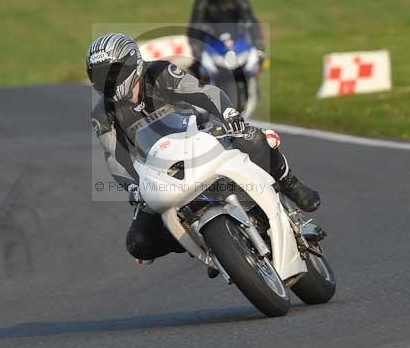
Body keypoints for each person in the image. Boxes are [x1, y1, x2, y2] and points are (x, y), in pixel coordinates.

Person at [87, 33, 321, 264]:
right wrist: (134, 187)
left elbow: (205, 92)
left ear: (132, 63)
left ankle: (289, 182)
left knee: (250, 137)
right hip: (161, 171)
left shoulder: (160, 73)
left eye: (113, 73)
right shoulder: (102, 114)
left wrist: (228, 114)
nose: (108, 81)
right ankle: (207, 243)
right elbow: (115, 157)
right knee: (138, 243)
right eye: (101, 76)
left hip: (201, 137)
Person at [188, 0, 266, 79]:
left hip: (236, 41)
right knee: (196, 71)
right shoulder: (203, 1)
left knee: (254, 66)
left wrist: (259, 46)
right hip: (211, 41)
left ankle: (253, 91)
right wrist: (196, 48)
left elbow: (250, 22)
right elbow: (195, 25)